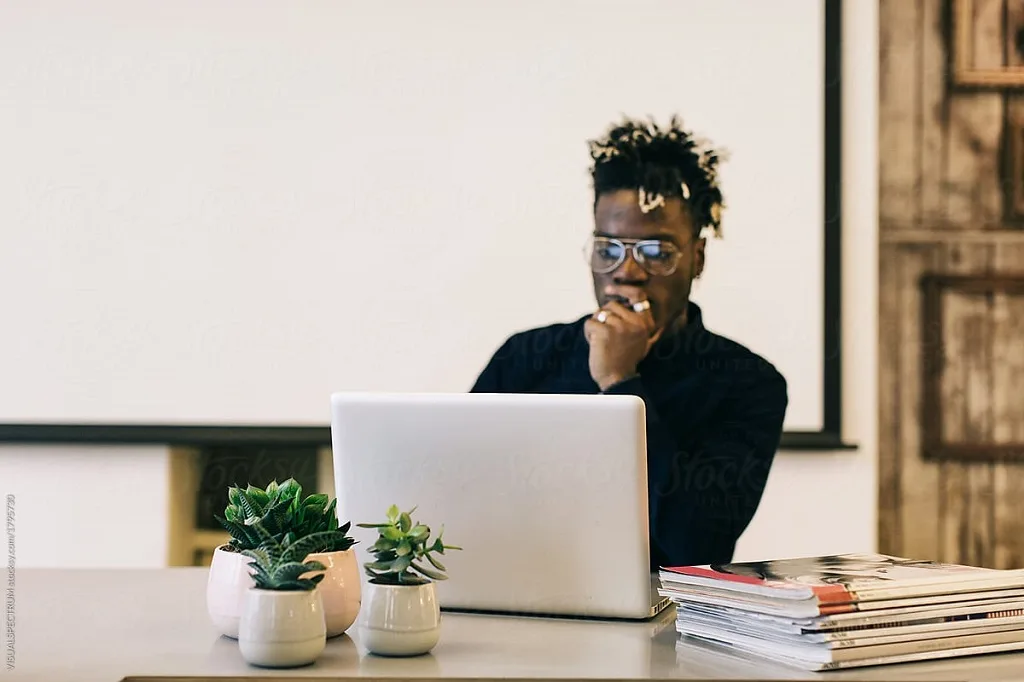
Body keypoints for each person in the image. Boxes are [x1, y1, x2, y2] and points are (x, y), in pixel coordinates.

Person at [470, 115, 788, 570]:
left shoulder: (747, 383)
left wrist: (620, 382)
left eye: (657, 252)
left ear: (697, 259)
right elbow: (460, 498)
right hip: (522, 605)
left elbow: (698, 544)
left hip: (668, 625)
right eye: (608, 249)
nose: (627, 271)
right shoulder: (526, 358)